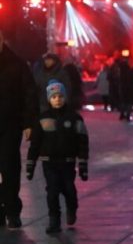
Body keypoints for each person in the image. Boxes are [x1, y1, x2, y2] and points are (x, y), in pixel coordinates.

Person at [25, 80, 89, 234]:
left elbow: (82, 142)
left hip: (67, 162)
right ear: (49, 99)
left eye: (60, 96)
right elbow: (35, 144)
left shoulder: (74, 118)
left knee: (69, 189)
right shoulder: (43, 119)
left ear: (65, 97)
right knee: (52, 191)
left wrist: (83, 165)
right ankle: (54, 220)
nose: (57, 99)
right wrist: (30, 164)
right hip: (50, 163)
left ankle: (72, 208)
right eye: (54, 97)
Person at [0, 27, 38, 229]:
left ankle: (12, 211)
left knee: (9, 168)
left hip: (9, 125)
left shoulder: (16, 64)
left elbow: (29, 93)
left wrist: (28, 123)